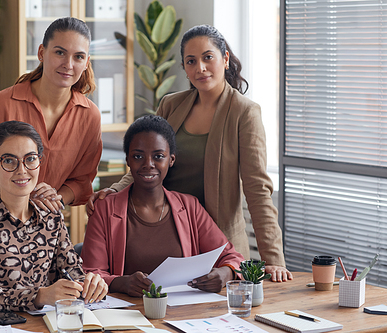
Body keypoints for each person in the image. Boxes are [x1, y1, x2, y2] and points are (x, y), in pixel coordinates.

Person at [87, 25, 292, 282]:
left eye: (208, 57)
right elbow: (148, 162)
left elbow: (257, 189)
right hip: (170, 233)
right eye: (191, 61)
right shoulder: (171, 104)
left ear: (225, 59)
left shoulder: (244, 112)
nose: (200, 68)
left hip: (216, 244)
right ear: (184, 67)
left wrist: (273, 261)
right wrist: (116, 191)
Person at [81, 115, 244, 297]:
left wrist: (225, 273)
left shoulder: (190, 207)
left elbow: (232, 257)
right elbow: (91, 272)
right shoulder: (104, 209)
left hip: (184, 315)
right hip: (128, 315)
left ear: (171, 160)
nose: (148, 164)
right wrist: (121, 283)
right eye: (138, 156)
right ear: (128, 160)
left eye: (158, 156)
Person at [0, 121, 108, 311]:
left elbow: (72, 273)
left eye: (30, 159)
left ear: (39, 162)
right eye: (9, 161)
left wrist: (89, 284)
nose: (22, 170)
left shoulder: (52, 217)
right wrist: (40, 296)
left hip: (39, 325)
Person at [0, 17, 102, 211]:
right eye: (60, 52)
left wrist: (54, 199)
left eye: (78, 57)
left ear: (86, 62)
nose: (68, 64)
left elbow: (81, 181)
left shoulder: (89, 116)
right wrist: (21, 196)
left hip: (44, 218)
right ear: (41, 53)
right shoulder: (5, 103)